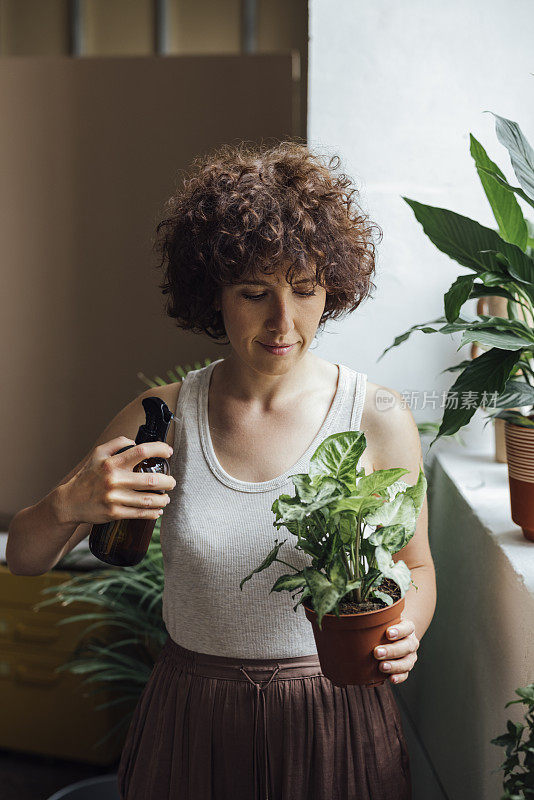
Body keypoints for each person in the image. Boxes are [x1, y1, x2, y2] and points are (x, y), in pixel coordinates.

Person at [7, 140, 436, 800]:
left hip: (332, 718)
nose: (283, 322)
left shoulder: (376, 415)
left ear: (334, 289)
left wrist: (406, 629)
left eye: (306, 290)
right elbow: (27, 560)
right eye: (255, 292)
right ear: (214, 293)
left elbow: (418, 566)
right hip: (193, 719)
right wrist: (68, 503)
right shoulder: (162, 417)